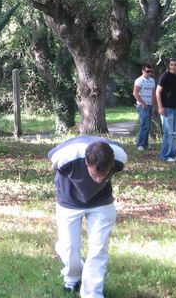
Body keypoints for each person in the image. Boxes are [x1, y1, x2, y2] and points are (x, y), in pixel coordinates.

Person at [48, 136, 128, 297]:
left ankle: (92, 292)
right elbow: (53, 162)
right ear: (87, 163)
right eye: (95, 174)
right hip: (69, 200)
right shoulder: (65, 157)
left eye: (104, 175)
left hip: (101, 202)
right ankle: (72, 277)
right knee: (70, 247)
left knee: (99, 249)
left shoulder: (120, 158)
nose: (99, 179)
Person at [155, 58, 176, 162]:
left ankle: (172, 155)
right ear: (169, 66)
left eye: (175, 64)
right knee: (168, 133)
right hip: (166, 109)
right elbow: (157, 92)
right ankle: (165, 156)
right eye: (172, 65)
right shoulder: (165, 76)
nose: (173, 66)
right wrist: (160, 107)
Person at [132, 63, 155, 151]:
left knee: (148, 125)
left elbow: (153, 93)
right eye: (147, 71)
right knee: (144, 125)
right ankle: (140, 144)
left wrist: (154, 104)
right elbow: (135, 93)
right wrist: (143, 103)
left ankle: (145, 144)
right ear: (143, 71)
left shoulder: (152, 81)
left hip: (150, 105)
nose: (149, 73)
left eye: (150, 71)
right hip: (142, 106)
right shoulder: (139, 80)